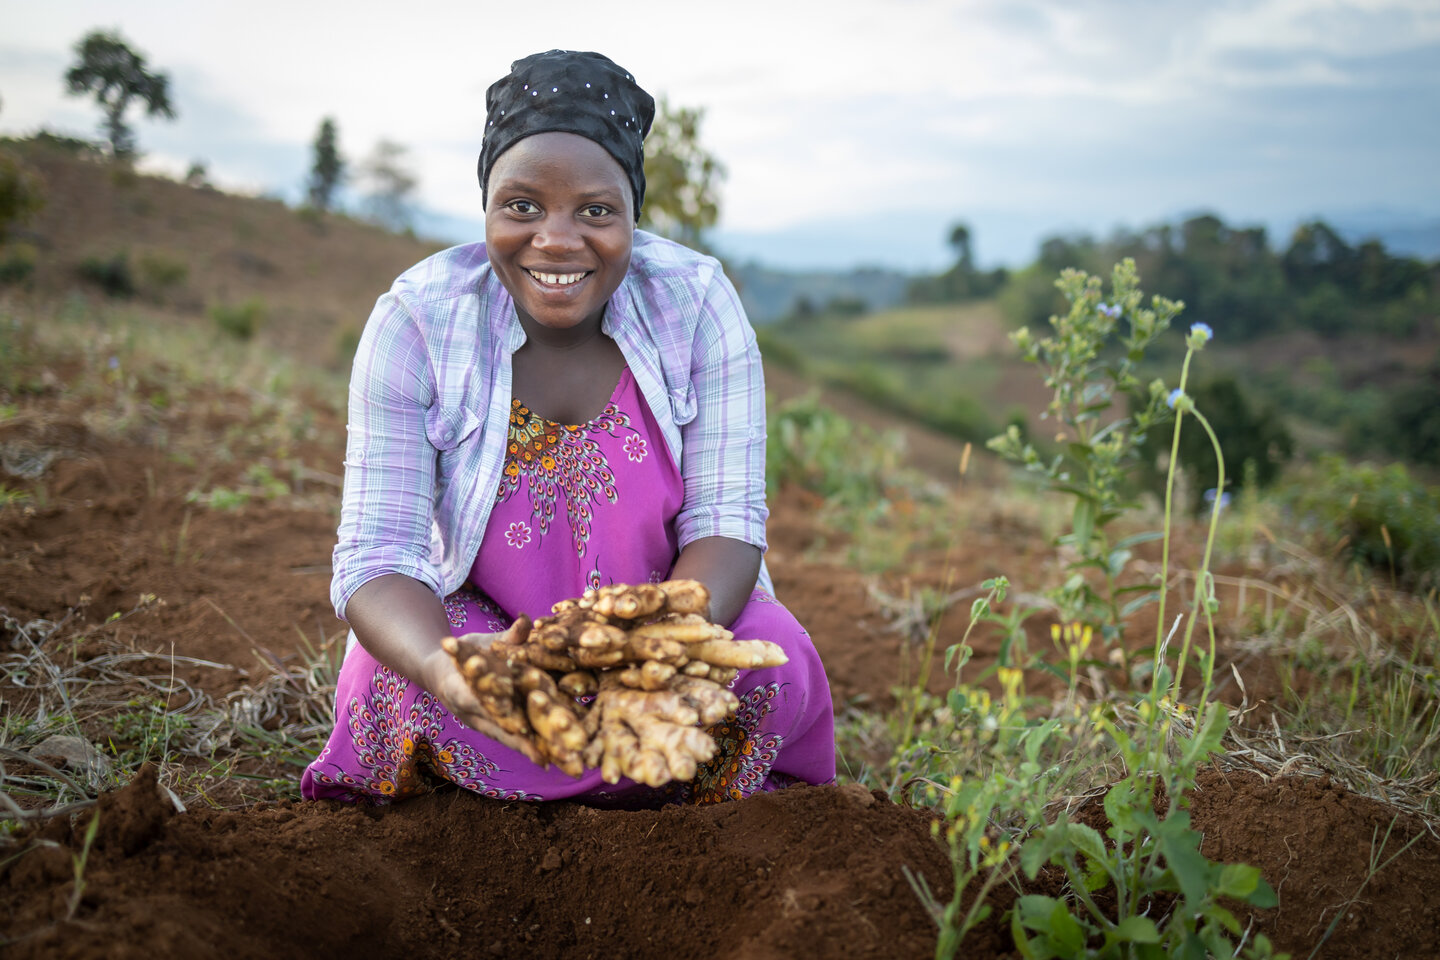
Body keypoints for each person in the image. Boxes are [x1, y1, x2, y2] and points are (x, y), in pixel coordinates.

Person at [302, 50, 834, 806]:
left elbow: (727, 524)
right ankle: (638, 779)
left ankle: (548, 778)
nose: (556, 240)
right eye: (521, 205)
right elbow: (376, 554)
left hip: (664, 622)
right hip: (490, 640)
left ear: (631, 216)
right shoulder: (417, 323)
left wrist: (657, 657)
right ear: (484, 205)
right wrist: (446, 668)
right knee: (386, 673)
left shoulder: (697, 307)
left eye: (595, 210)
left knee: (775, 659)